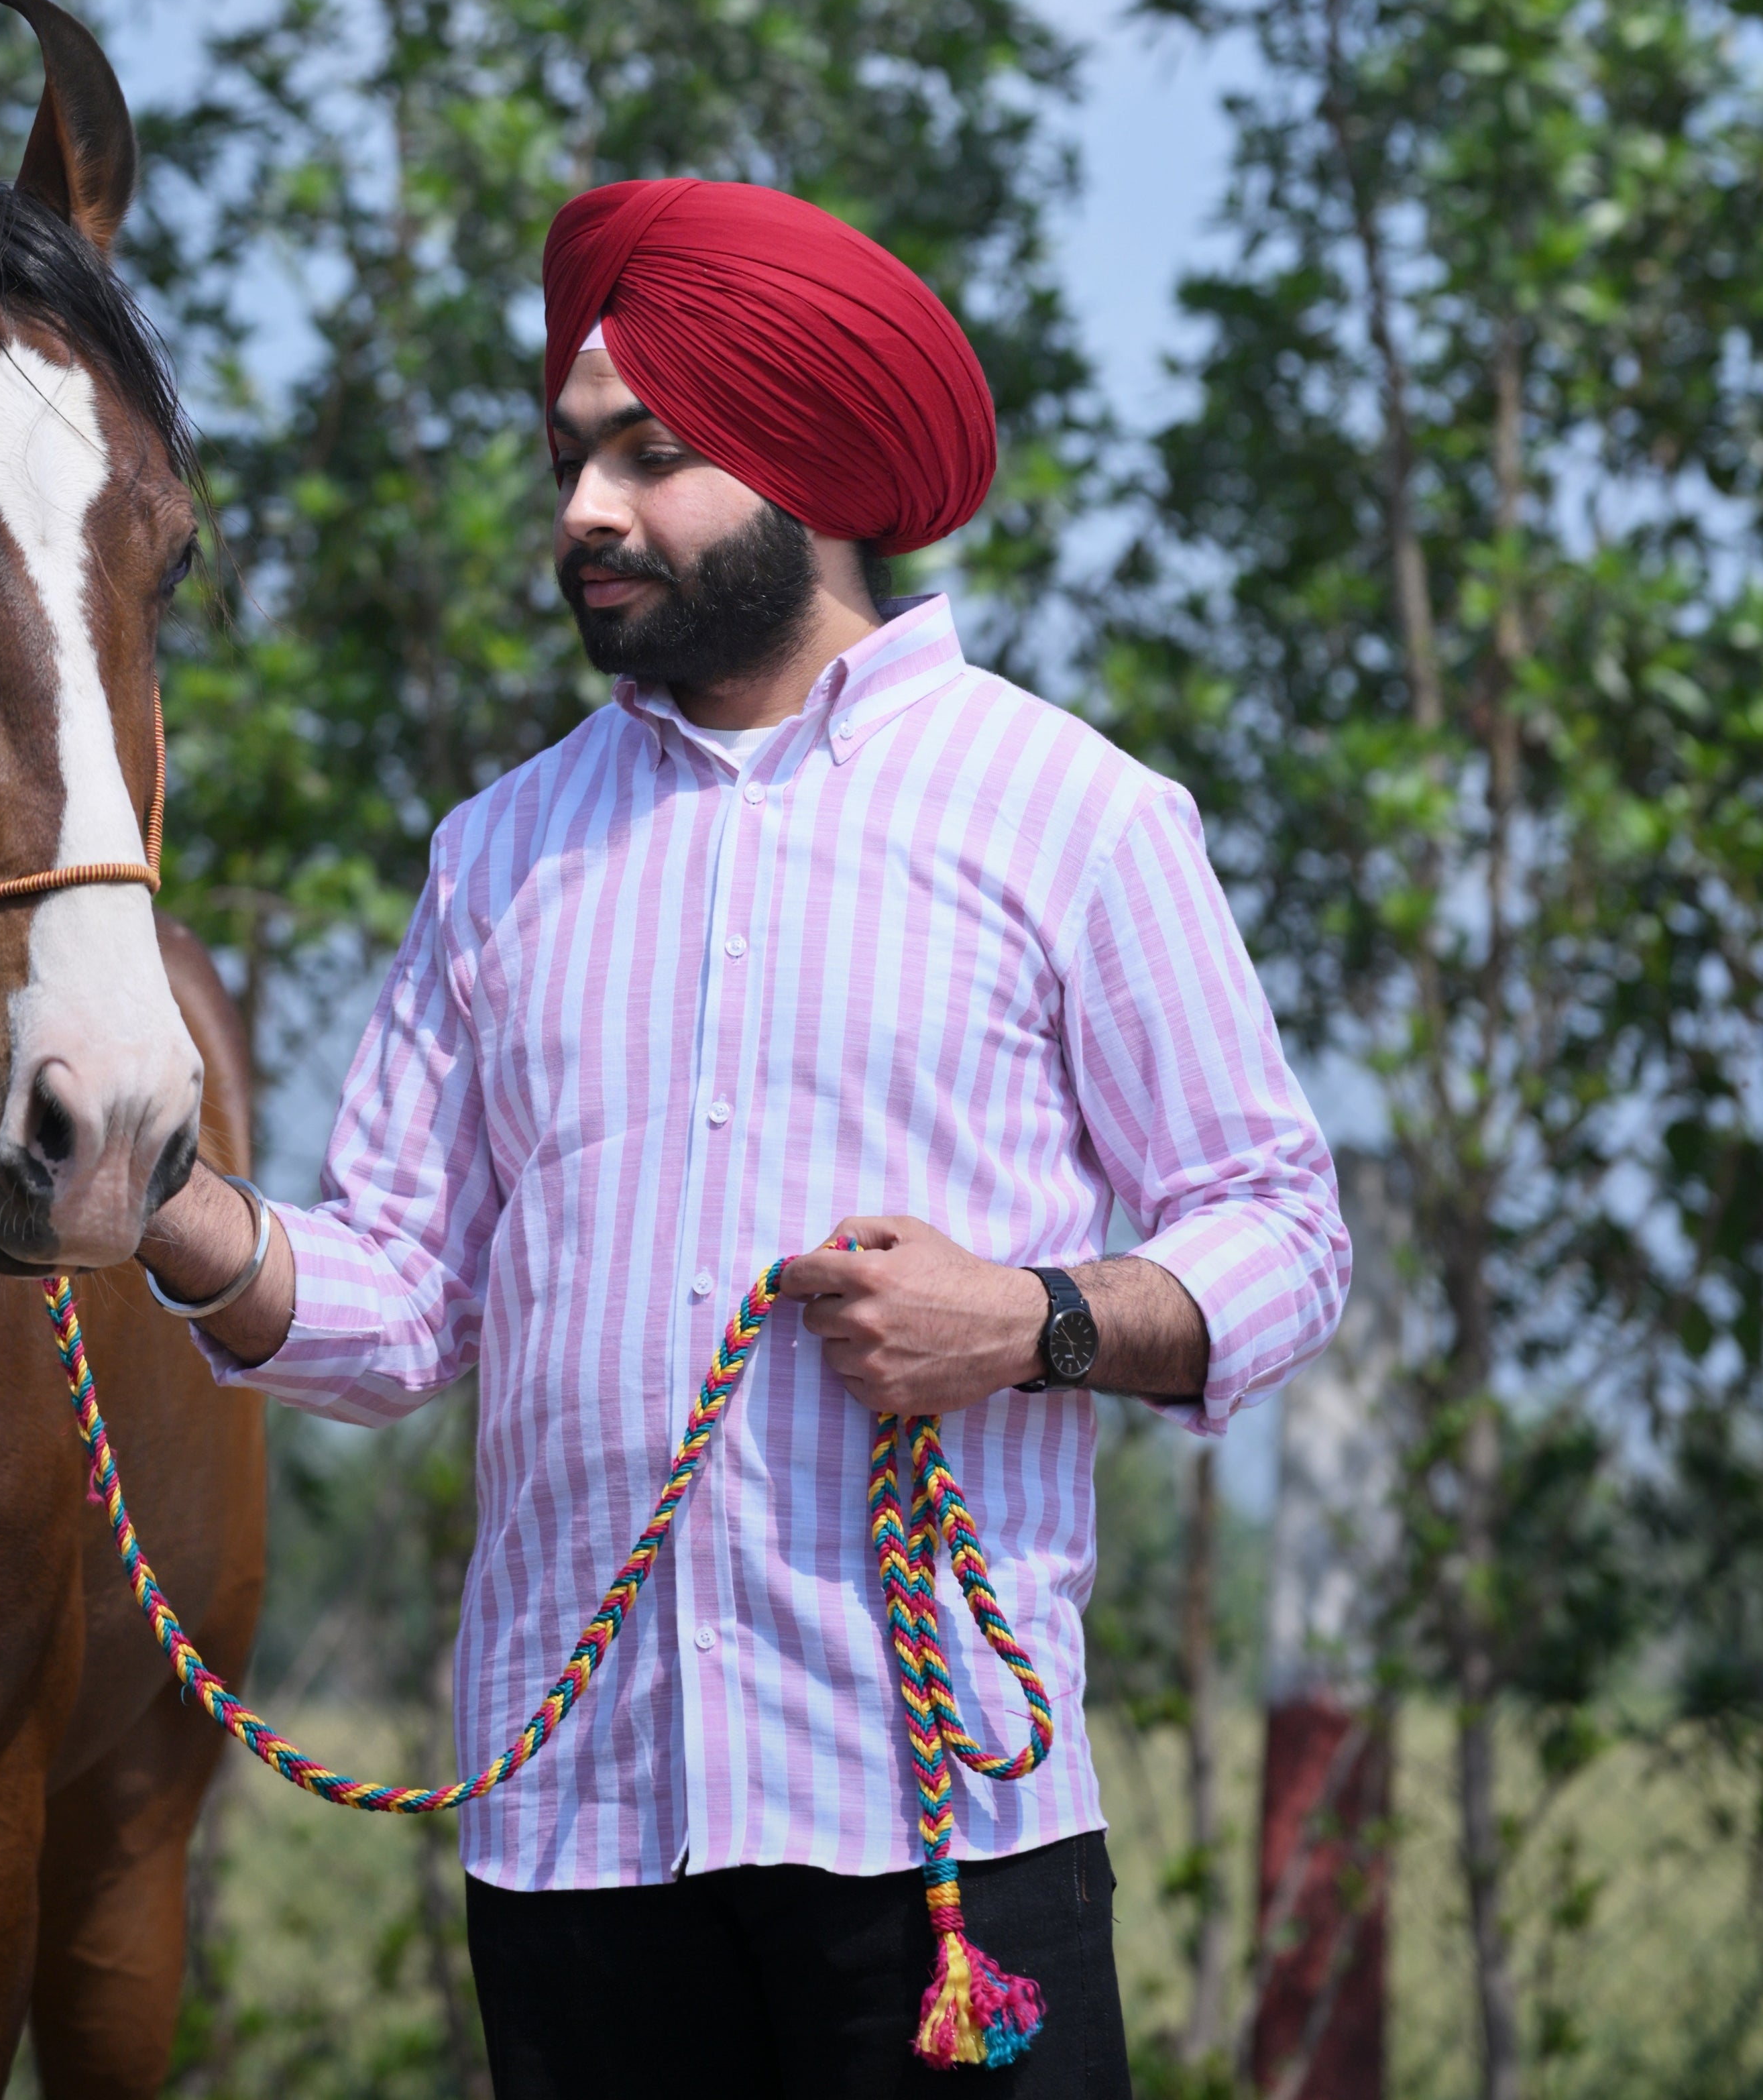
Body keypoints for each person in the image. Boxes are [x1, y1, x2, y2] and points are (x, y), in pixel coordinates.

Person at [139, 176, 1348, 2097]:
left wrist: (1029, 1320)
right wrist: (160, 1204)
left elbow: (1281, 1233)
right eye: (569, 457)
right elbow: (390, 1308)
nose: (585, 513)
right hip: (576, 1842)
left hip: (940, 1835)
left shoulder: (1076, 816)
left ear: (813, 469)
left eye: (654, 454)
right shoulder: (496, 856)